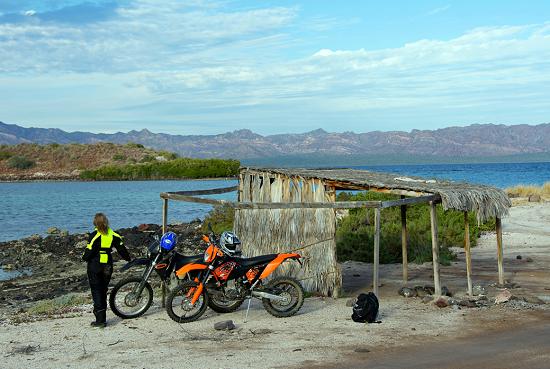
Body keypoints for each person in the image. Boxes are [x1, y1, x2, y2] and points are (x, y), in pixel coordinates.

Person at [82, 213, 132, 327]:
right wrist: (129, 260)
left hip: (95, 265)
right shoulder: (114, 235)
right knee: (103, 290)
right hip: (107, 265)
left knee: (96, 291)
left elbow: (87, 254)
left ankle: (100, 320)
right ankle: (102, 318)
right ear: (106, 222)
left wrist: (84, 258)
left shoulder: (94, 235)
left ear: (95, 223)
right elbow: (122, 250)